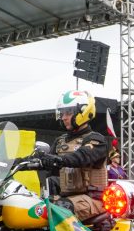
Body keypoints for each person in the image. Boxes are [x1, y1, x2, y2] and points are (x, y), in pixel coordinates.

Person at [37, 90, 110, 222]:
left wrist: (59, 160)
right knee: (35, 208)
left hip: (91, 201)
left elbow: (83, 156)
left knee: (60, 208)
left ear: (83, 112)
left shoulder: (97, 139)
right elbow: (48, 164)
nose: (64, 117)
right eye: (63, 113)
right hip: (66, 198)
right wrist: (18, 162)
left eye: (69, 112)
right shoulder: (60, 142)